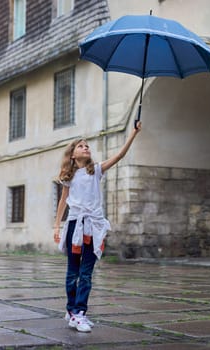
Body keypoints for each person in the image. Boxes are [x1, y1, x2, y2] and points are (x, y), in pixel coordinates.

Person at [53, 121, 141, 332]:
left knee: (86, 272)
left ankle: (79, 312)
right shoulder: (69, 176)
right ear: (72, 154)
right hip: (75, 226)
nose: (86, 147)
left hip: (93, 227)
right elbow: (63, 201)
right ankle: (73, 311)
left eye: (87, 145)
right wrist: (56, 227)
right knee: (72, 272)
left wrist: (133, 134)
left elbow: (119, 156)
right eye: (81, 146)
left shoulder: (97, 170)